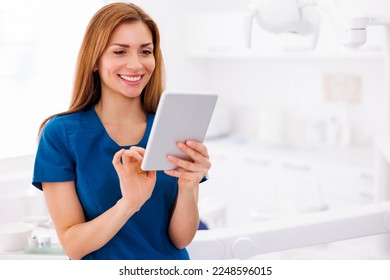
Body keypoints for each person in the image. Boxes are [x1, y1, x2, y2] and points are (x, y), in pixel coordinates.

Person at [32, 2, 211, 260]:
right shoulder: (60, 135)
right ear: (95, 60)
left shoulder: (174, 126)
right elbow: (73, 245)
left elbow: (180, 239)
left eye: (145, 51)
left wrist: (189, 185)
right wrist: (129, 203)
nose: (136, 64)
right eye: (120, 52)